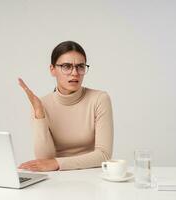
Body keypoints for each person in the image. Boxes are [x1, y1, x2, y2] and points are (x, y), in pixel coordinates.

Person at [18, 41, 113, 171]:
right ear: (52, 70)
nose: (75, 73)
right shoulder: (41, 104)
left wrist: (58, 163)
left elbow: (104, 155)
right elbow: (44, 160)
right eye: (67, 66)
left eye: (80, 66)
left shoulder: (99, 99)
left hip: (91, 173)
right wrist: (39, 113)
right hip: (58, 178)